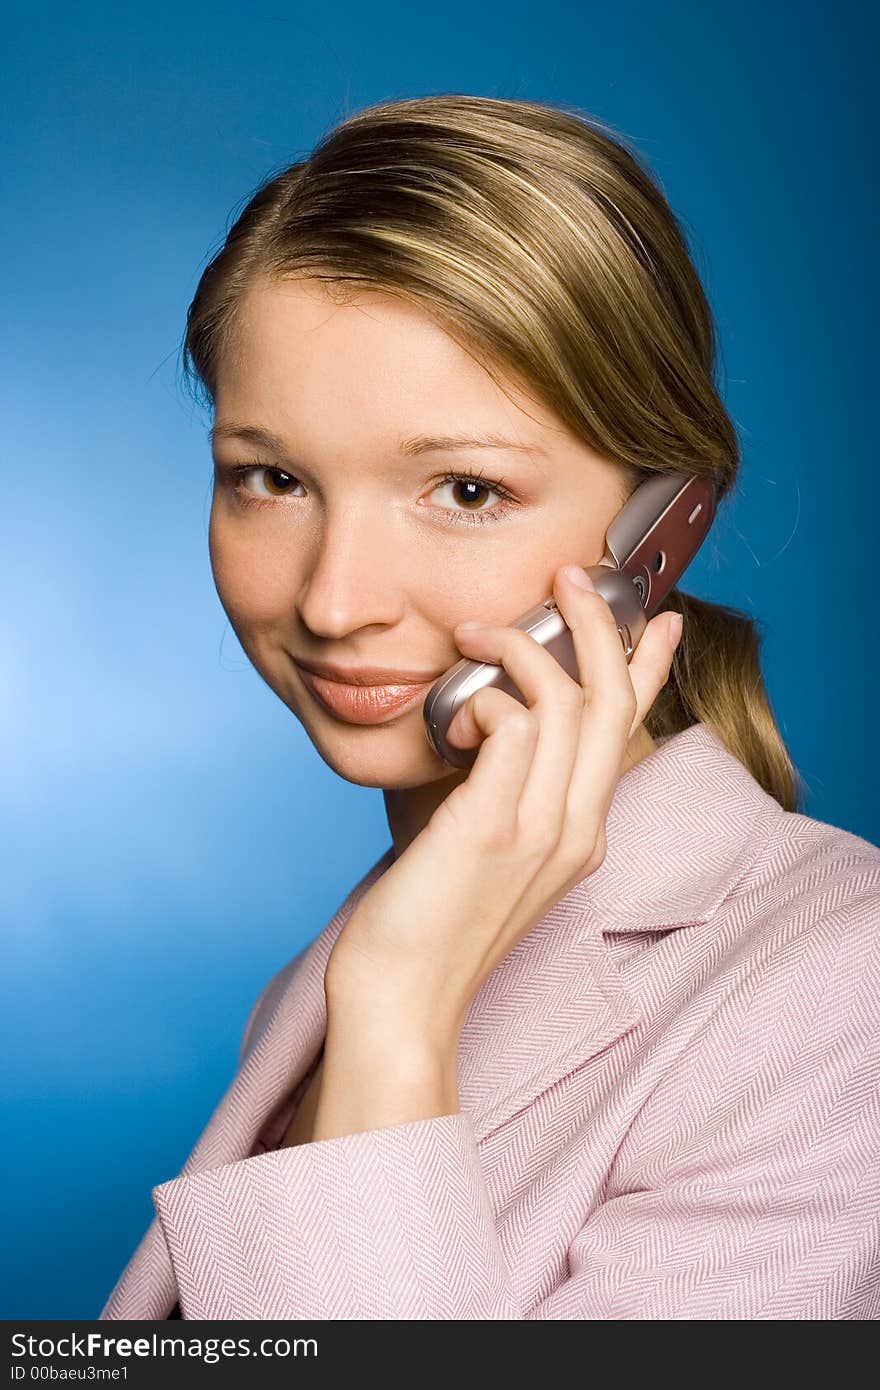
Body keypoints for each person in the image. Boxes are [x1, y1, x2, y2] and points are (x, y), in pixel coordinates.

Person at [100, 94, 880, 1320]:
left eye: (465, 489)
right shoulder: (351, 952)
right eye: (272, 478)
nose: (336, 598)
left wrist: (401, 1008)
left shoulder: (840, 995)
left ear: (661, 528)